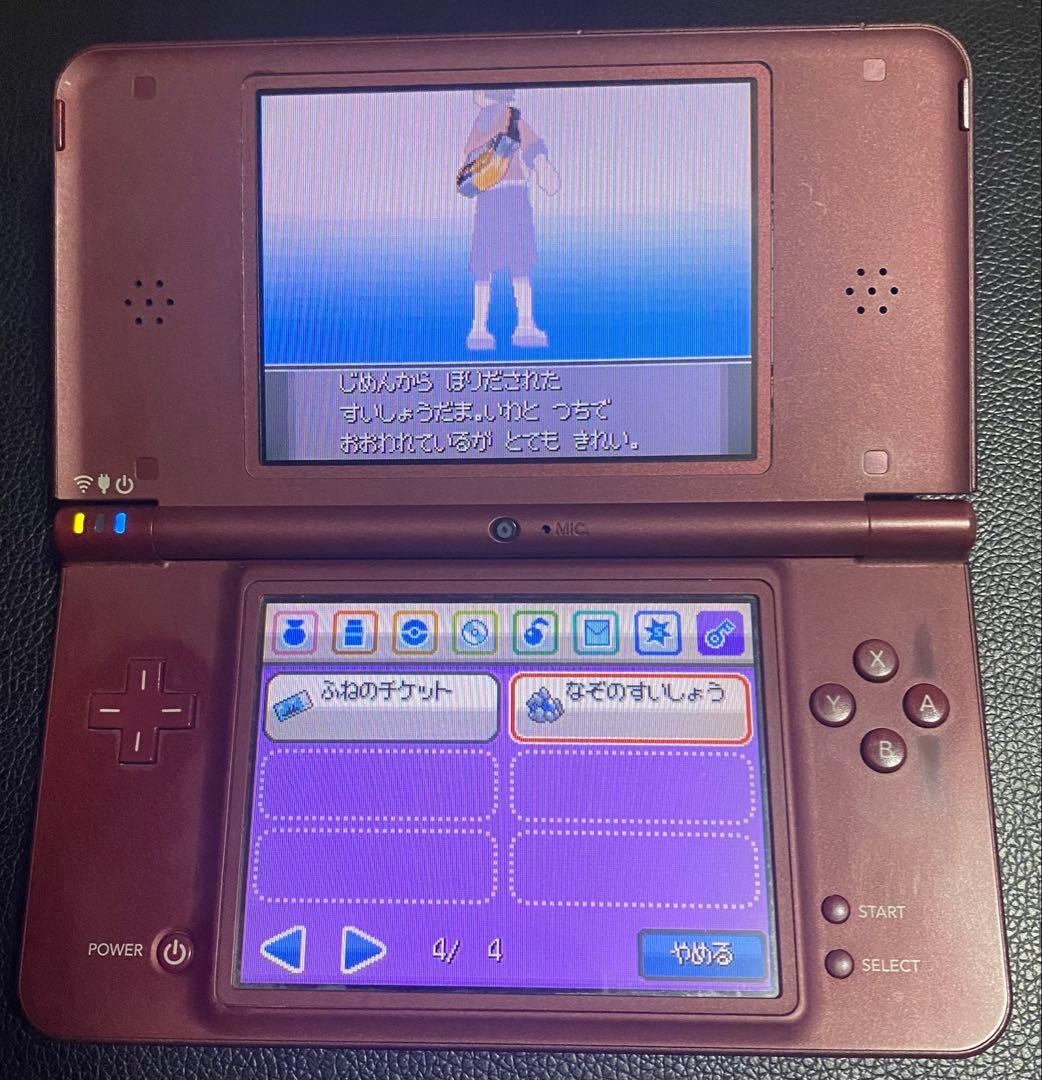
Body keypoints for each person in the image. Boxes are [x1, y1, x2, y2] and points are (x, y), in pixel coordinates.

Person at [460, 89, 559, 351]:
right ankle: (524, 325)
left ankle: (479, 329)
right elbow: (533, 149)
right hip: (514, 197)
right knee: (520, 262)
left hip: (489, 198)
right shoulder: (511, 118)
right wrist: (543, 168)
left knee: (483, 265)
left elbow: (469, 158)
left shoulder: (483, 121)